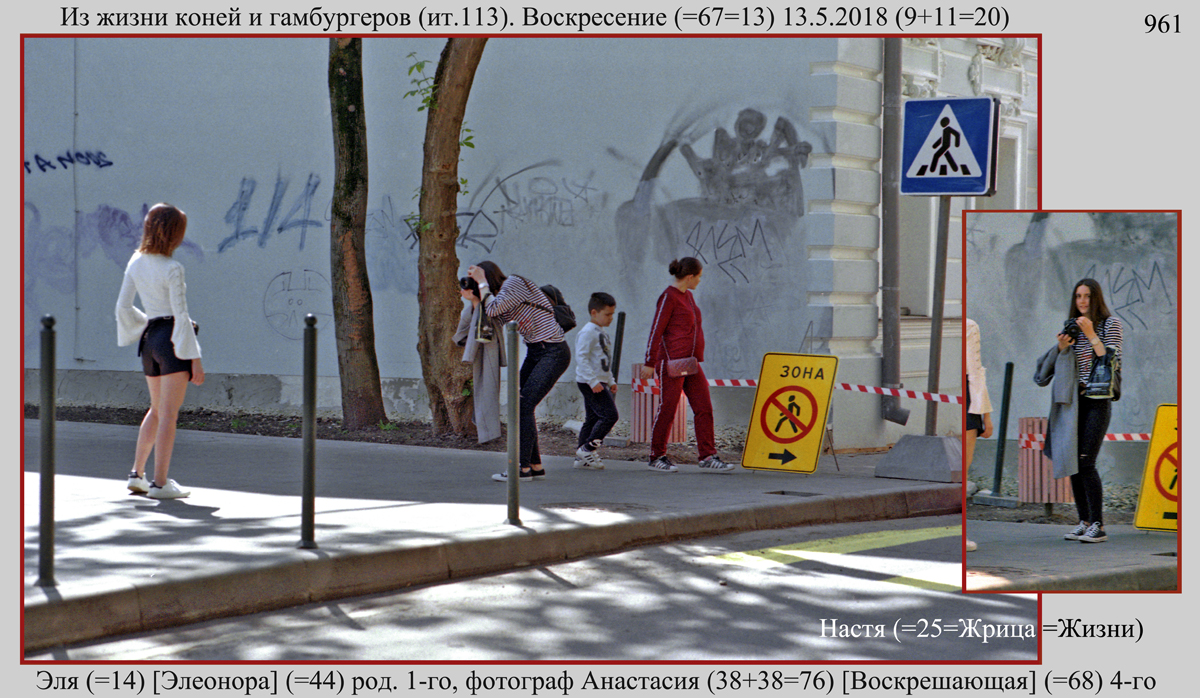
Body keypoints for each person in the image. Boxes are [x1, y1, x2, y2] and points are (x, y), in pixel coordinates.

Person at [114, 203, 205, 499]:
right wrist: (195, 358)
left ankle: (137, 474)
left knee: (156, 410)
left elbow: (123, 307)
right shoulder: (173, 268)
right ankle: (161, 483)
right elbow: (181, 314)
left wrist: (146, 326)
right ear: (174, 234)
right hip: (171, 341)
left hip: (149, 340)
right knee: (168, 415)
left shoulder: (136, 261)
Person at [1035, 279, 1123, 544]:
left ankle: (1098, 524)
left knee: (1086, 461)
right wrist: (1062, 347)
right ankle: (1084, 521)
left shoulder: (1110, 324)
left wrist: (1091, 333)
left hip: (1098, 400)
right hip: (1075, 401)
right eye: (1078, 296)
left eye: (1087, 296)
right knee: (1073, 462)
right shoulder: (1072, 328)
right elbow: (1054, 369)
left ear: (1096, 298)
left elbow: (1111, 360)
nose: (1082, 301)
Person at [467, 261, 571, 482]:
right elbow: (492, 320)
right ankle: (534, 466)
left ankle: (521, 469)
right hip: (536, 351)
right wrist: (475, 300)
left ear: (489, 277)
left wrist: (481, 282)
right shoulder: (503, 297)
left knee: (523, 406)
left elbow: (492, 309)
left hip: (553, 351)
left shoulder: (514, 283)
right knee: (520, 405)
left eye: (481, 281)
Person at [640, 257, 736, 473]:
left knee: (704, 407)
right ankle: (656, 456)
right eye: (699, 277)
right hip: (671, 362)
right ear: (690, 276)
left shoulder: (689, 296)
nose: (700, 280)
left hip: (690, 363)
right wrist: (649, 361)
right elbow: (656, 330)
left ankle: (707, 456)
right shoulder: (668, 297)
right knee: (668, 408)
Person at [453, 276, 506, 444]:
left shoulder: (488, 308)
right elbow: (461, 334)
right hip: (478, 353)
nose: (461, 291)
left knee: (488, 389)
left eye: (464, 288)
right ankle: (486, 431)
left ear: (471, 291)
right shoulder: (472, 310)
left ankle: (489, 432)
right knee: (482, 390)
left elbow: (486, 331)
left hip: (487, 351)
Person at [574, 292, 619, 470]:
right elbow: (581, 358)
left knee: (592, 418)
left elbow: (604, 360)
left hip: (599, 382)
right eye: (607, 314)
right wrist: (593, 381)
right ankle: (587, 449)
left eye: (612, 314)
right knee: (610, 416)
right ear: (594, 312)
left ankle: (581, 458)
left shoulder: (601, 332)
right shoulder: (587, 332)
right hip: (590, 383)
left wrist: (611, 380)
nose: (611, 318)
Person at [964, 318, 994, 552]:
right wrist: (986, 417)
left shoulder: (965, 325)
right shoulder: (969, 325)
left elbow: (976, 372)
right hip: (966, 400)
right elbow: (975, 372)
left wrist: (986, 416)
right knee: (962, 471)